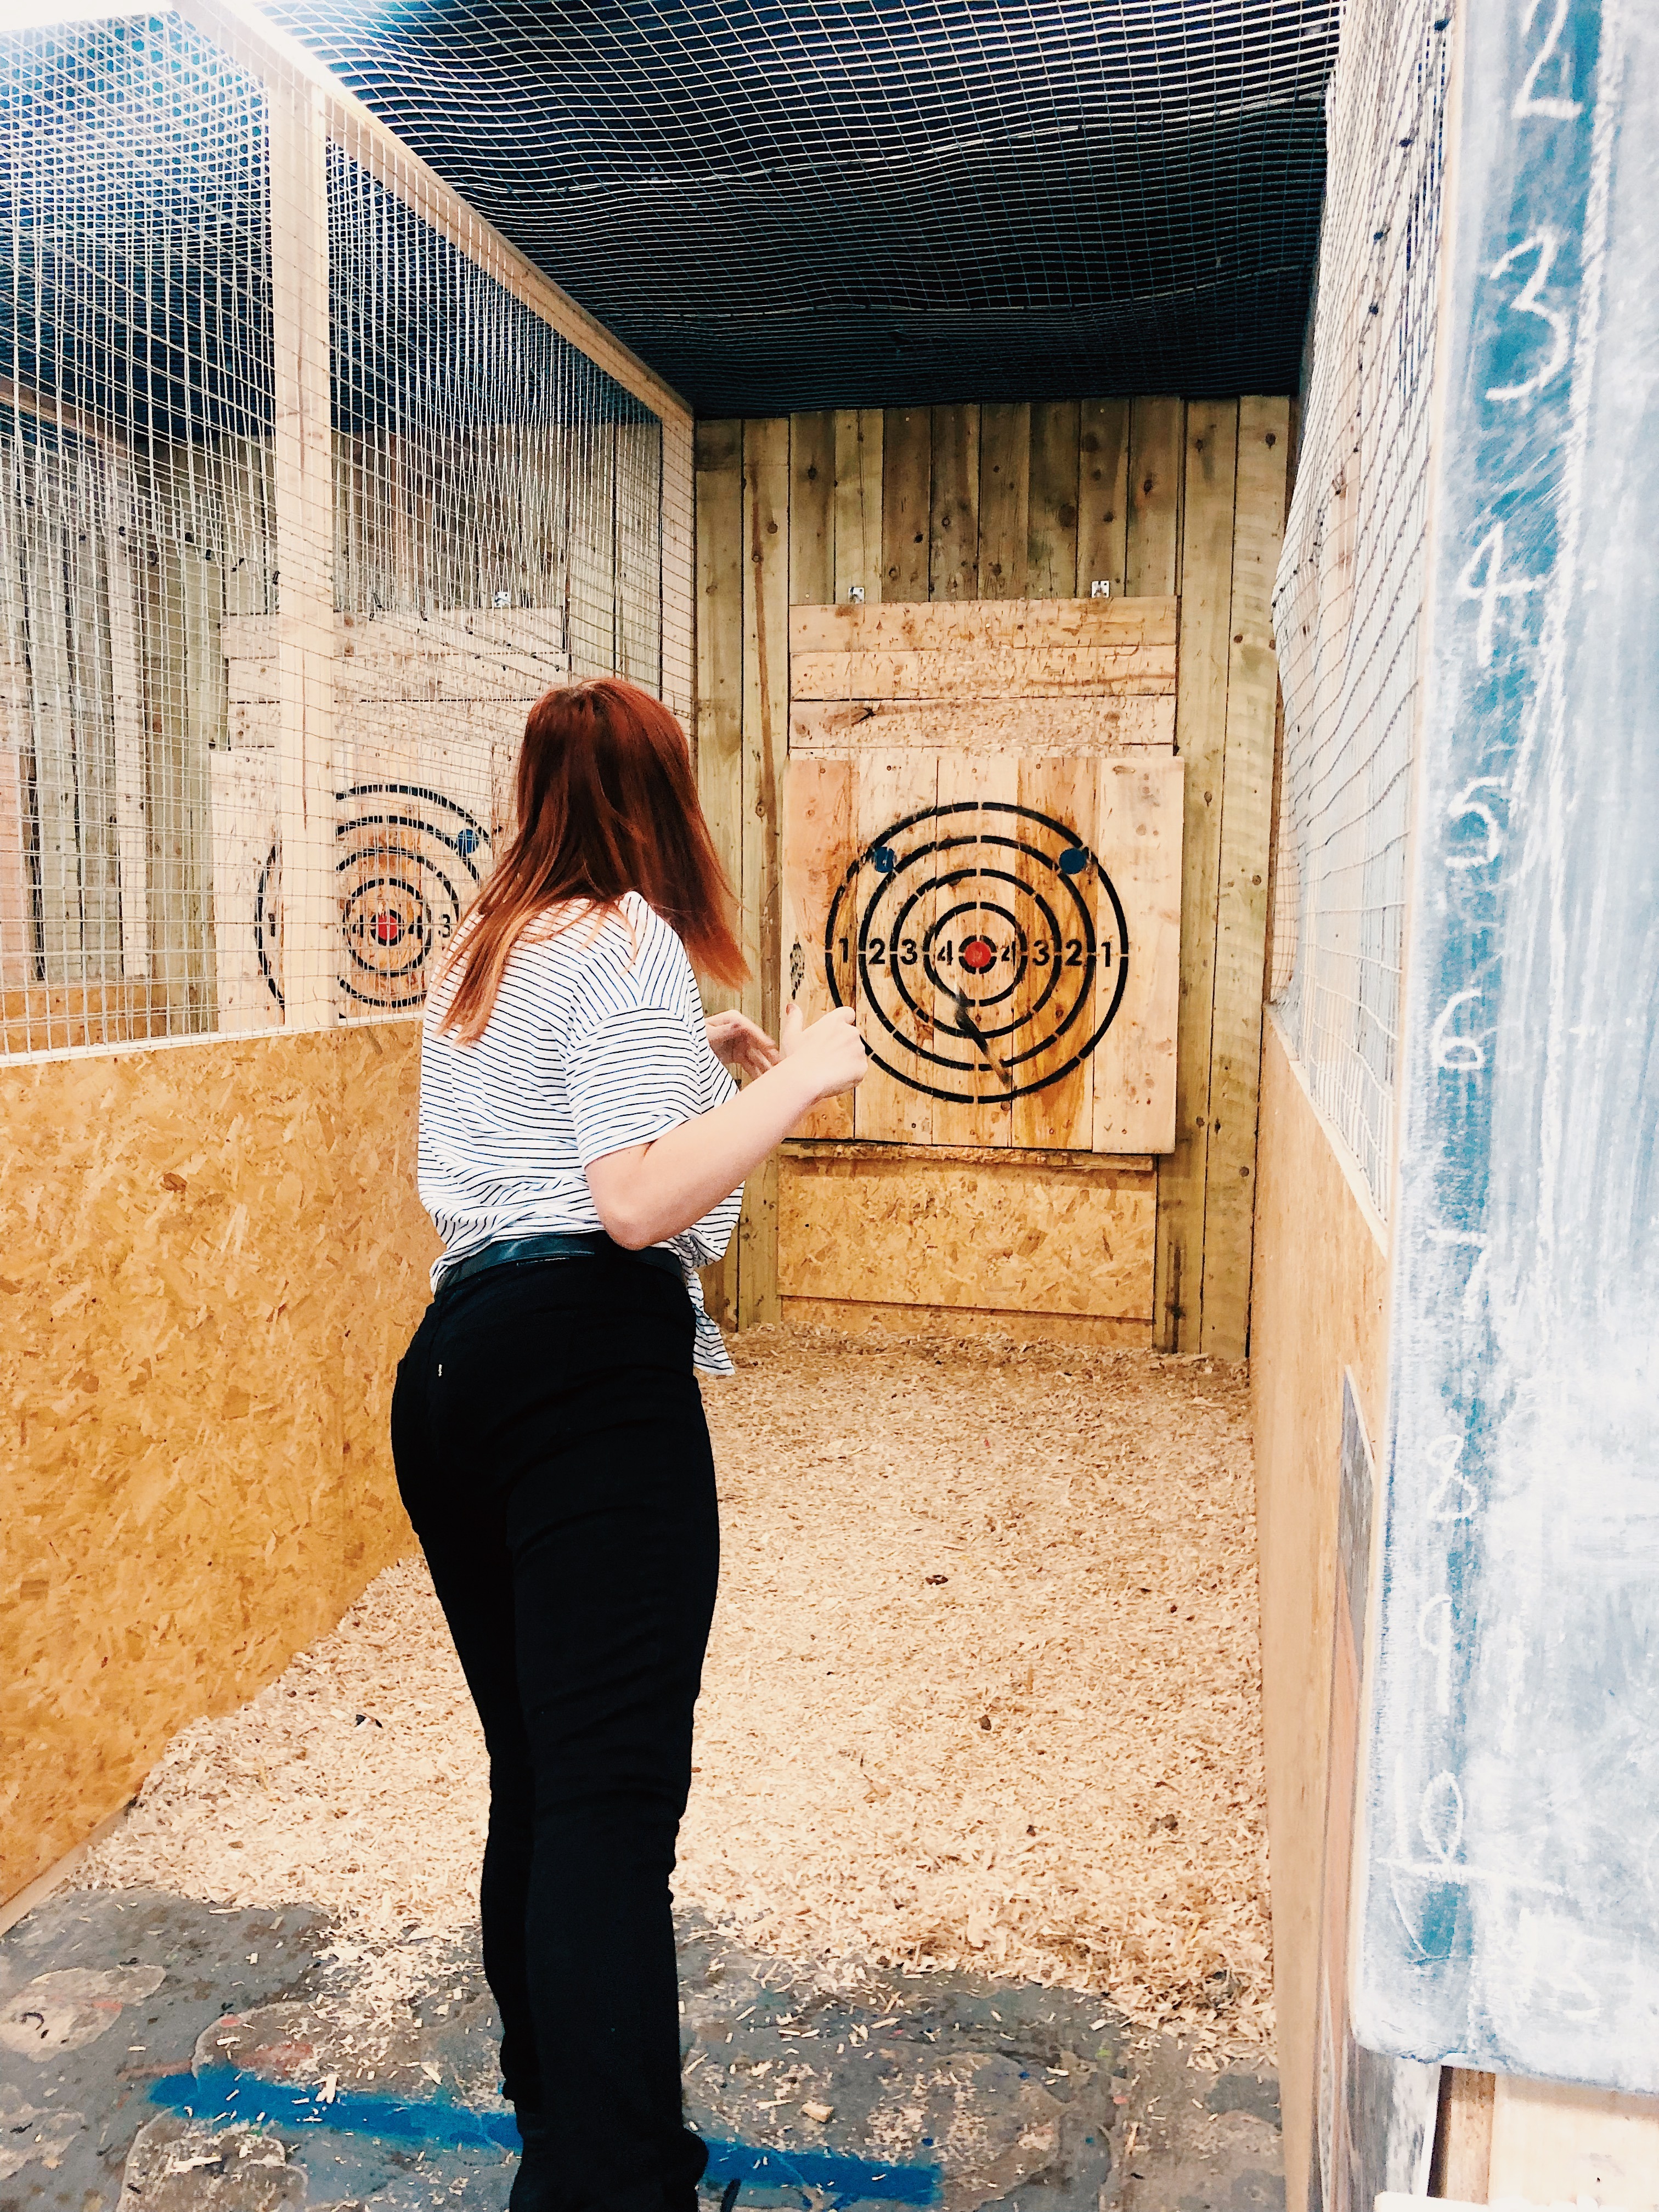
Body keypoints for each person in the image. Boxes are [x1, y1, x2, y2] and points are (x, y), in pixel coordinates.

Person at [389, 677, 866, 2212]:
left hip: (455, 1370)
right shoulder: (626, 935)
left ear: (536, 788)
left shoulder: (480, 945)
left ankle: (565, 2132)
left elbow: (566, 1141)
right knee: (608, 1804)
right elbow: (637, 1204)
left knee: (538, 1779)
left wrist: (694, 1064)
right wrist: (799, 1079)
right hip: (585, 1380)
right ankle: (613, 2184)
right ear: (664, 799)